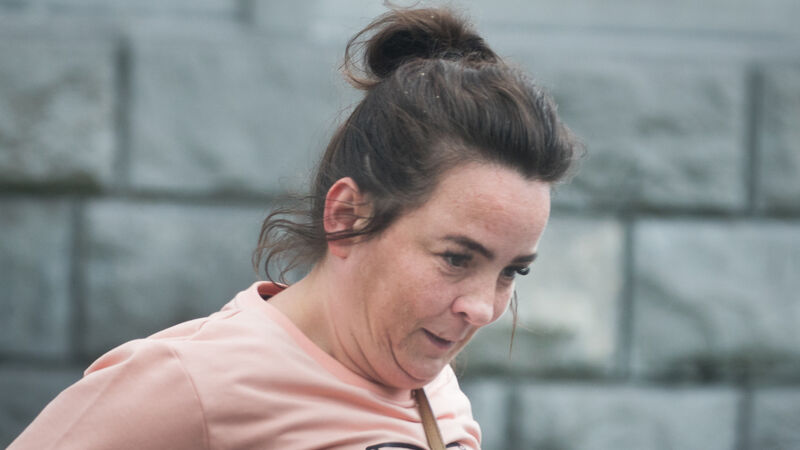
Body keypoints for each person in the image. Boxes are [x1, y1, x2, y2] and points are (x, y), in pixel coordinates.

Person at [10, 6, 578, 450]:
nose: (482, 308)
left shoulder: (438, 389)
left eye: (512, 271)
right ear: (347, 217)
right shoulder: (190, 382)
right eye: (457, 258)